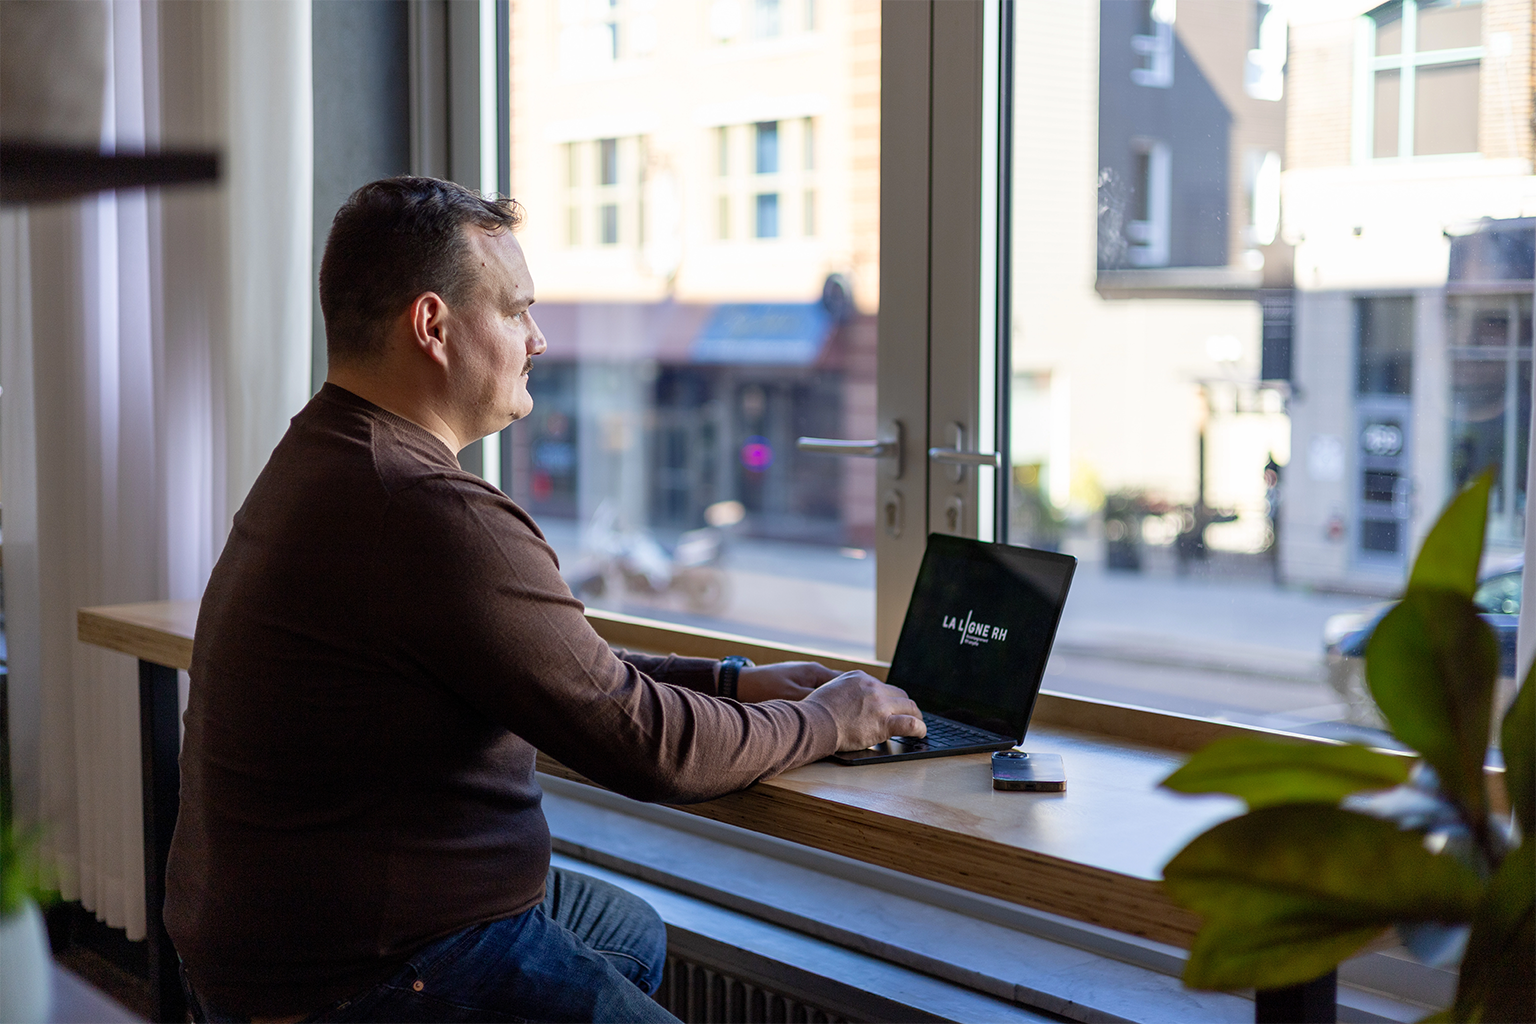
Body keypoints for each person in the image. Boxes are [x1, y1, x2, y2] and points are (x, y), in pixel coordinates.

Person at [163, 176, 924, 1024]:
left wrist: (735, 680)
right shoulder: (425, 508)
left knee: (626, 932)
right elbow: (646, 747)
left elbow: (554, 666)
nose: (540, 338)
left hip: (285, 929)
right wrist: (833, 718)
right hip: (364, 970)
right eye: (517, 309)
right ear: (433, 326)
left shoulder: (326, 450)